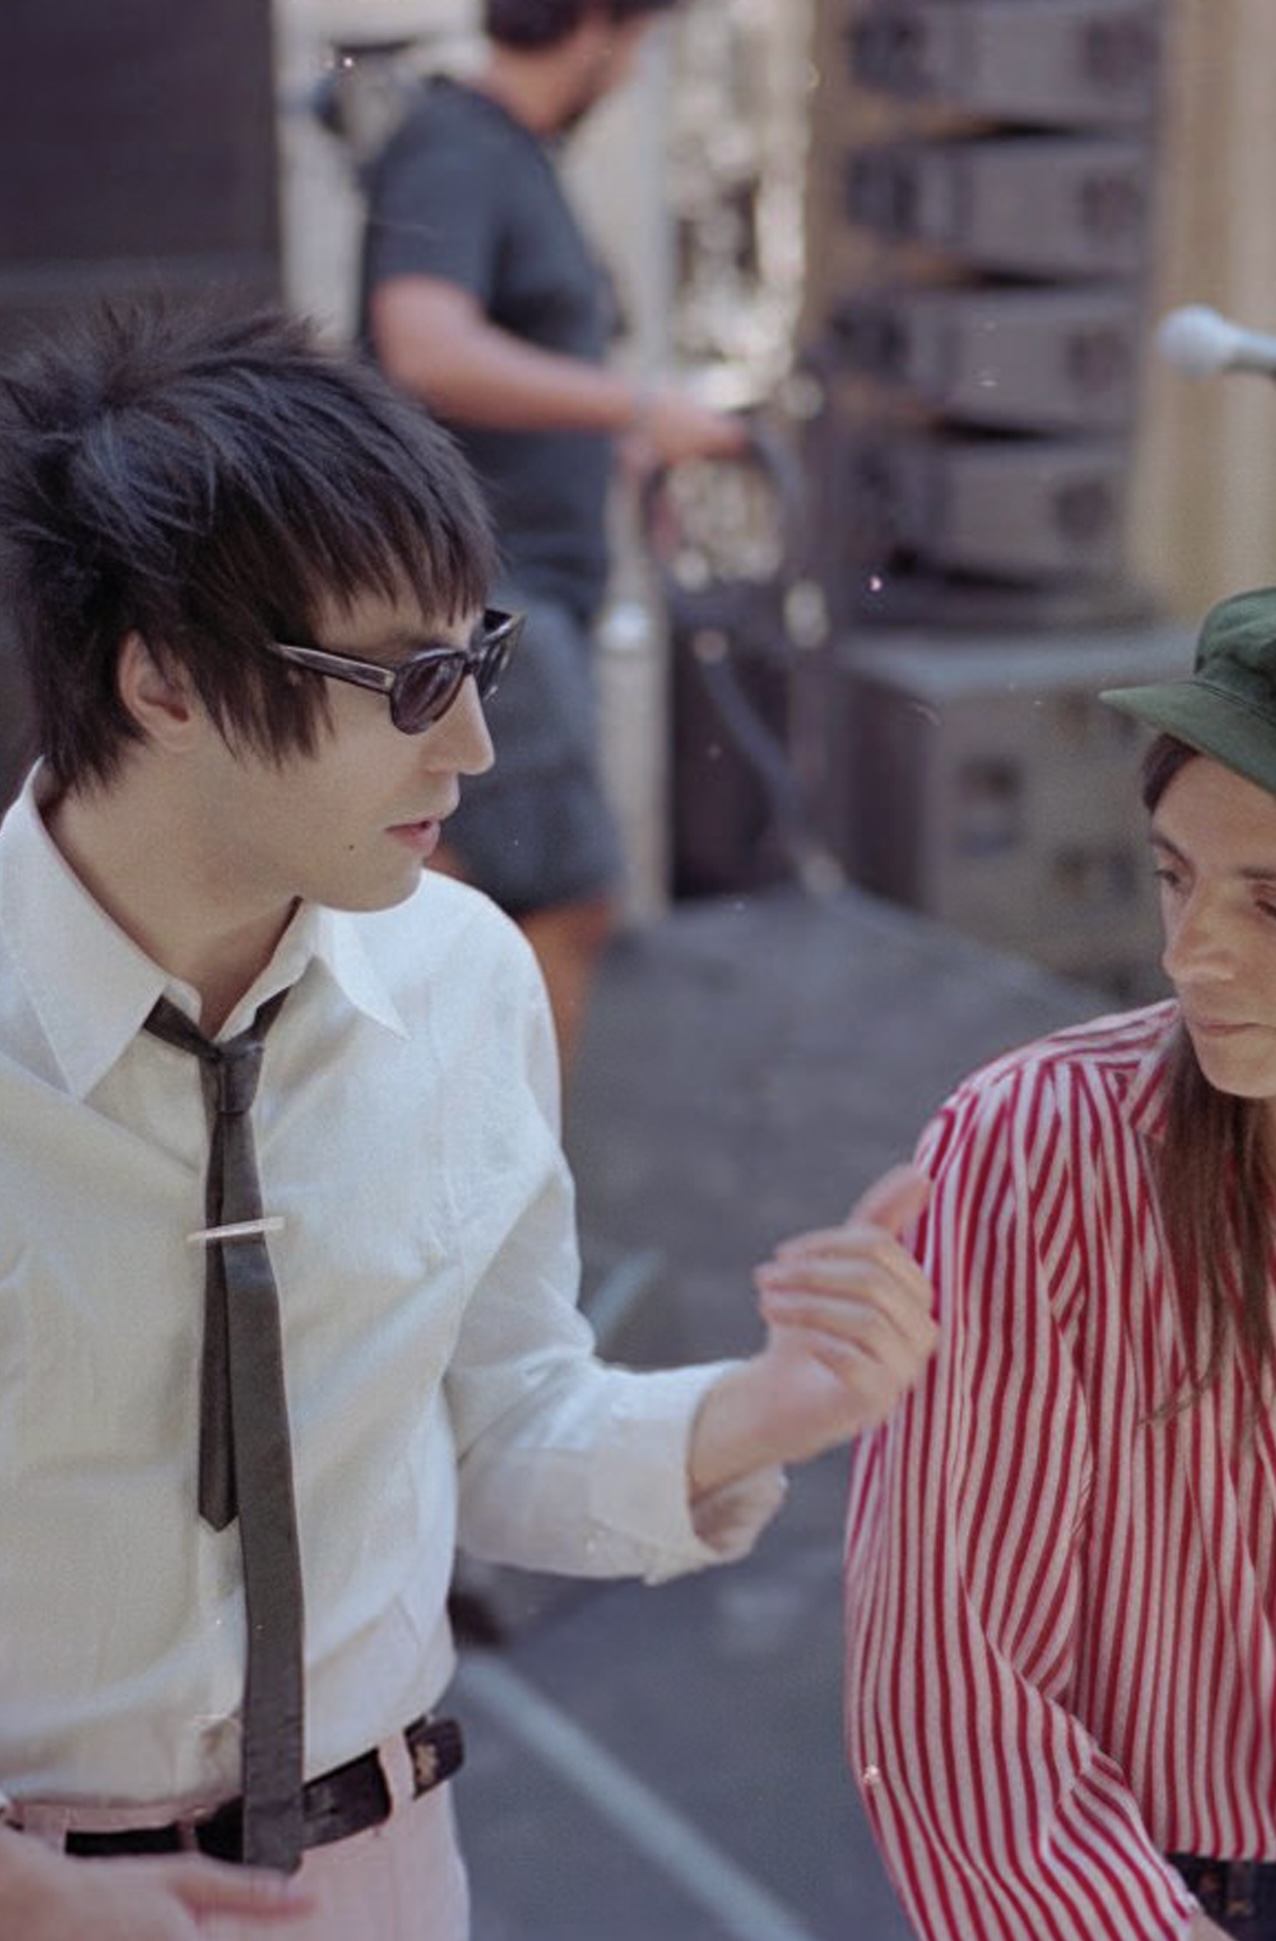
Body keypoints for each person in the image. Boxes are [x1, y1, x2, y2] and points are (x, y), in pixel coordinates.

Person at [0, 297, 937, 1941]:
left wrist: (759, 1408)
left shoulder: (461, 976)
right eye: (410, 679)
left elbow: (494, 1427)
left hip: (387, 1874)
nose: (475, 742)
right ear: (163, 679)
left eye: (477, 656)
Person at [844, 584, 1276, 1941]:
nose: (1188, 951)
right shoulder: (1029, 1155)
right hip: (1125, 1898)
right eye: (1175, 875)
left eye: (1274, 904)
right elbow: (956, 1702)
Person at [359, 0, 747, 1074]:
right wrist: (638, 406)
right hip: (491, 590)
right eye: (640, 42)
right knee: (563, 897)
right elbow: (425, 345)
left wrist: (620, 451)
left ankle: (448, 1153)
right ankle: (512, 1171)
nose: (632, 70)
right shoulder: (455, 144)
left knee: (466, 886)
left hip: (520, 588)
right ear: (594, 28)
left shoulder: (506, 153)